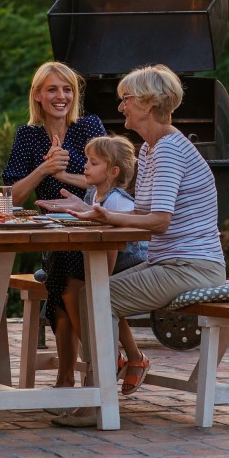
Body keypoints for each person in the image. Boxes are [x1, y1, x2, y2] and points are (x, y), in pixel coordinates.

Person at [39, 64, 227, 427]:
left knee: (95, 297)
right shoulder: (153, 150)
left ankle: (98, 401)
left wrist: (107, 218)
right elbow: (142, 211)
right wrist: (92, 209)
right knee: (87, 294)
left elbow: (159, 222)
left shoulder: (170, 150)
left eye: (126, 99)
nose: (121, 106)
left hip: (192, 267)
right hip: (172, 263)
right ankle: (99, 391)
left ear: (148, 103)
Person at [1, 61, 106, 347]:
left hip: (94, 231)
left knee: (62, 279)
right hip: (53, 235)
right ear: (37, 95)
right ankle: (79, 372)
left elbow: (110, 178)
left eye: (67, 89)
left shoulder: (89, 126)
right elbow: (10, 198)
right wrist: (44, 170)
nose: (61, 96)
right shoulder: (28, 135)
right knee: (61, 274)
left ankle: (100, 361)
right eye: (52, 89)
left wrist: (64, 174)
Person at [48, 135, 146, 392]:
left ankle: (108, 359)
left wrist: (105, 278)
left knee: (95, 293)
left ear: (113, 172)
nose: (85, 167)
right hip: (101, 261)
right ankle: (114, 358)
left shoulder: (117, 200)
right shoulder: (94, 193)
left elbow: (113, 244)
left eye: (93, 163)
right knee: (62, 274)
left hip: (128, 262)